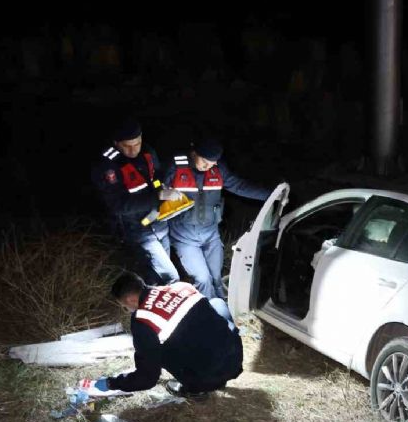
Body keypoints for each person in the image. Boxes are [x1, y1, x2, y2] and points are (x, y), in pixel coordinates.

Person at [84, 271, 243, 397]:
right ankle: (215, 373)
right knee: (216, 304)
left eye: (124, 306)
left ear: (131, 300)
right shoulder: (181, 287)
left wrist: (112, 383)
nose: (126, 310)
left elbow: (147, 378)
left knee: (156, 351)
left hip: (209, 377)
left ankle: (197, 388)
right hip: (235, 358)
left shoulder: (143, 320)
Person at [162, 138, 270, 299]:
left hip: (211, 234)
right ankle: (210, 311)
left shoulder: (217, 168)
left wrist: (270, 196)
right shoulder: (175, 166)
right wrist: (161, 193)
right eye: (205, 161)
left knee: (216, 277)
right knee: (202, 278)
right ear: (194, 153)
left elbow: (239, 185)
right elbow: (155, 186)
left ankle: (223, 304)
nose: (208, 167)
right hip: (184, 238)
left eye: (213, 163)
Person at [90, 118, 180, 285]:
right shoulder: (107, 166)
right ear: (116, 143)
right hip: (138, 230)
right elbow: (117, 205)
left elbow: (157, 176)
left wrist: (162, 188)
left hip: (159, 222)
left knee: (161, 276)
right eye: (127, 146)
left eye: (137, 143)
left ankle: (155, 301)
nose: (133, 150)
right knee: (169, 277)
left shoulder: (148, 152)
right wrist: (157, 197)